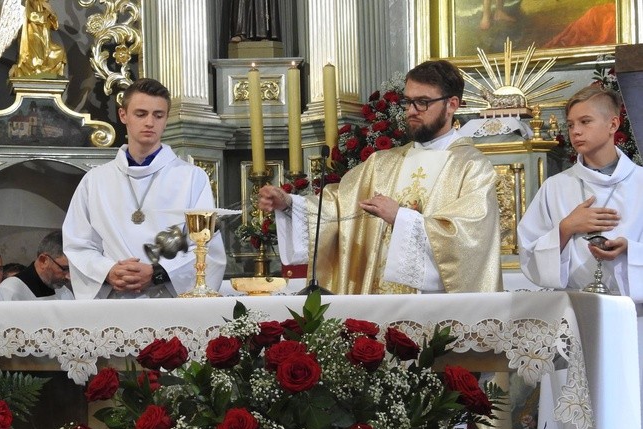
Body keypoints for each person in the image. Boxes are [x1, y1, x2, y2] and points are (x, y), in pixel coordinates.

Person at [259, 60, 502, 295]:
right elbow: (338, 210)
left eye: (423, 103)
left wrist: (400, 217)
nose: (411, 111)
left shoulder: (472, 167)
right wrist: (289, 204)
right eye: (408, 102)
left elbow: (470, 242)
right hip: (380, 304)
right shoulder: (382, 163)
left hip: (434, 308)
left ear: (452, 104)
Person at [62, 78, 226, 299]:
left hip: (168, 300)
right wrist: (108, 271)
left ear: (166, 119)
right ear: (123, 115)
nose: (150, 122)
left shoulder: (192, 178)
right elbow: (77, 244)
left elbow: (207, 247)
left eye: (158, 115)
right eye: (141, 114)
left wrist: (158, 273)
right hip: (113, 301)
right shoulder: (95, 180)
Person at [518, 85, 642, 302]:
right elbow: (529, 251)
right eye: (570, 124)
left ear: (613, 124)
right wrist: (566, 228)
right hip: (574, 308)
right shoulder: (555, 186)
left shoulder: (639, 182)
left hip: (633, 311)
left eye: (585, 121)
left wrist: (629, 249)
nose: (575, 131)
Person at [0, 230, 73, 300]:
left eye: (71, 270)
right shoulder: (10, 290)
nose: (69, 277)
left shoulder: (65, 293)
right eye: (64, 269)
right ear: (43, 260)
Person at [11, 0, 67, 77]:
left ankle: (46, 72)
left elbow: (54, 26)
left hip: (46, 38)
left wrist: (51, 12)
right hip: (34, 35)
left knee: (60, 52)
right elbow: (32, 16)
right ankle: (35, 70)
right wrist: (46, 13)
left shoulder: (46, 5)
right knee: (37, 58)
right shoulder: (30, 1)